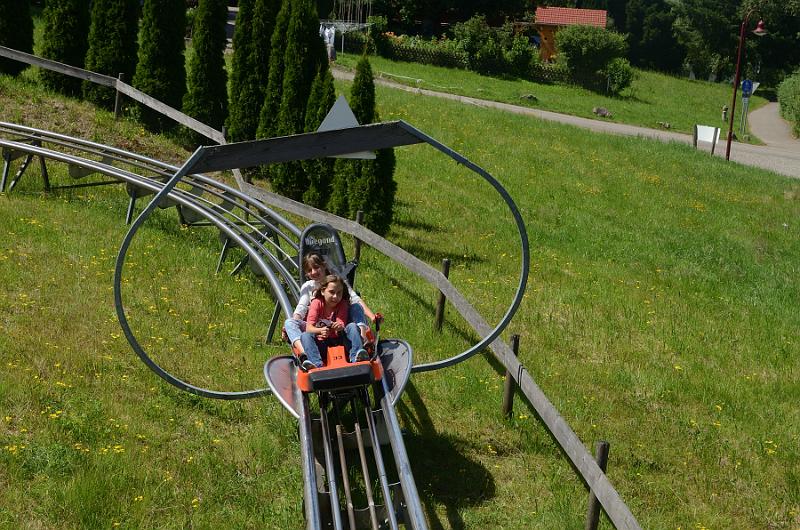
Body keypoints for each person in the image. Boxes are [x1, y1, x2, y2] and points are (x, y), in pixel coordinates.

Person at [284, 253, 375, 357]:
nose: (313, 272)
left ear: (324, 265)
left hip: (341, 324)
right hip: (318, 327)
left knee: (356, 306)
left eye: (316, 267)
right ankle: (304, 353)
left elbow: (355, 299)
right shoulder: (308, 287)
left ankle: (362, 341)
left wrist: (372, 317)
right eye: (309, 270)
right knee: (289, 323)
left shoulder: (337, 282)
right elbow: (301, 308)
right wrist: (294, 321)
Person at [298, 274, 368, 370]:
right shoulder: (316, 303)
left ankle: (357, 356)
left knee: (352, 326)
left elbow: (341, 322)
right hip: (322, 344)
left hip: (340, 342)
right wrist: (320, 331)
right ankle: (316, 364)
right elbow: (309, 328)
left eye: (339, 293)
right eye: (331, 292)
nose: (335, 296)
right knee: (305, 335)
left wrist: (339, 327)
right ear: (323, 291)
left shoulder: (342, 304)